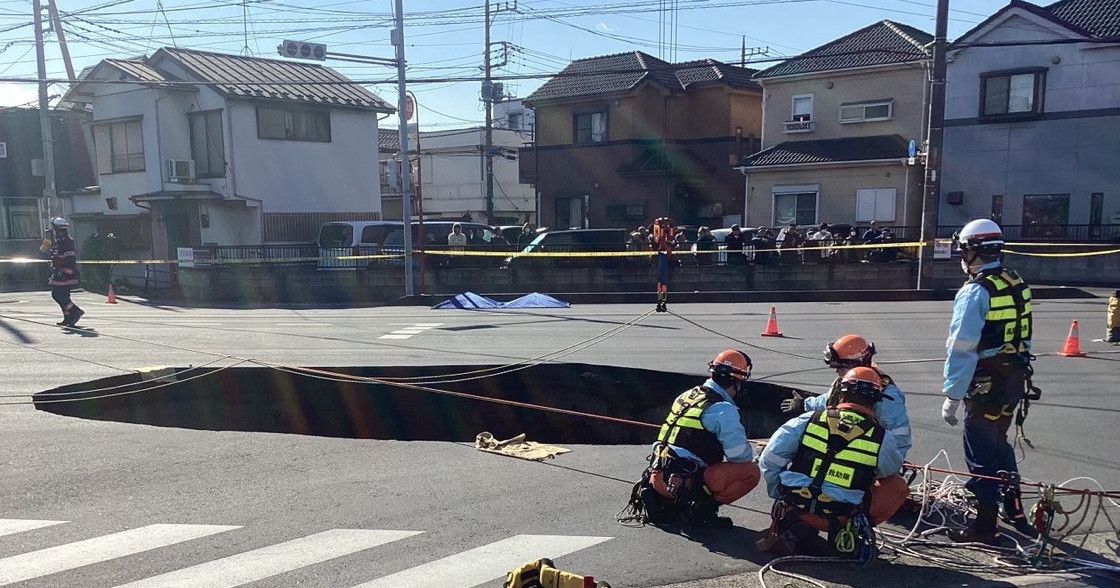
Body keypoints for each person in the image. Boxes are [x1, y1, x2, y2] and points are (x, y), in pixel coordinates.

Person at [942, 218, 1034, 544]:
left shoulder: (975, 291)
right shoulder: (1016, 282)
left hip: (986, 381)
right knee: (999, 444)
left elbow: (962, 347)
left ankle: (985, 527)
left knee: (980, 451)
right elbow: (1024, 334)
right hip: (1015, 378)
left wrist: (952, 395)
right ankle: (1016, 511)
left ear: (973, 252)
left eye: (964, 251)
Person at [758, 367, 908, 558]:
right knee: (897, 486)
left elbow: (769, 458)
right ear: (875, 400)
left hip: (795, 507)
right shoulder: (881, 438)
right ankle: (846, 535)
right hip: (839, 516)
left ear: (840, 393)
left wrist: (777, 492)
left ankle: (798, 527)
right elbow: (890, 470)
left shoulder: (807, 420)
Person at [637, 349, 761, 528]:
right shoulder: (723, 409)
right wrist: (756, 452)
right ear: (736, 382)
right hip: (682, 484)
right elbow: (739, 456)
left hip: (657, 477)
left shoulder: (687, 395)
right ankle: (702, 512)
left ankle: (665, 502)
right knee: (750, 472)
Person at [781, 335, 912, 460]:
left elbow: (899, 439)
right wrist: (805, 404)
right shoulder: (846, 382)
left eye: (840, 367)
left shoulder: (887, 397)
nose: (836, 371)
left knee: (894, 484)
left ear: (856, 365)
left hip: (864, 456)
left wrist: (889, 466)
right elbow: (830, 399)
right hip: (838, 446)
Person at [43, 217, 85, 327]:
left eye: (56, 230)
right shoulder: (58, 242)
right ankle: (67, 317)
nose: (56, 232)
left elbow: (70, 258)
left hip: (66, 273)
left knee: (60, 295)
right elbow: (48, 252)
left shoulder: (67, 242)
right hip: (59, 271)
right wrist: (47, 248)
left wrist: (66, 270)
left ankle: (76, 311)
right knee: (57, 295)